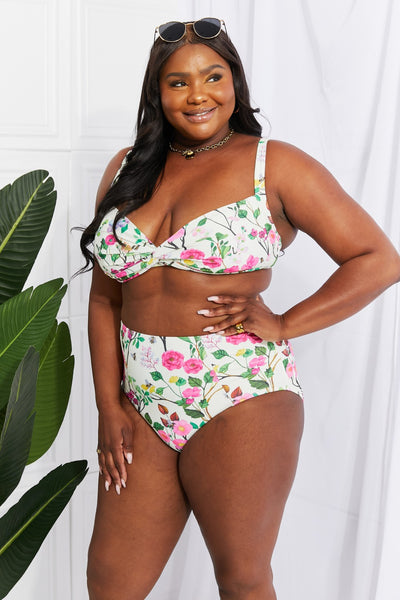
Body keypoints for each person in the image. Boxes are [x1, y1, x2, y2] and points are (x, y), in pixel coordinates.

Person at [80, 18, 400, 600]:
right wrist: (108, 405)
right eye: (178, 82)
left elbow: (377, 259)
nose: (197, 95)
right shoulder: (128, 168)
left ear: (235, 82)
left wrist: (285, 323)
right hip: (142, 399)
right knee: (110, 583)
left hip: (239, 390)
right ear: (157, 92)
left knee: (243, 578)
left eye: (213, 77)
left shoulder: (275, 165)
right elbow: (105, 296)